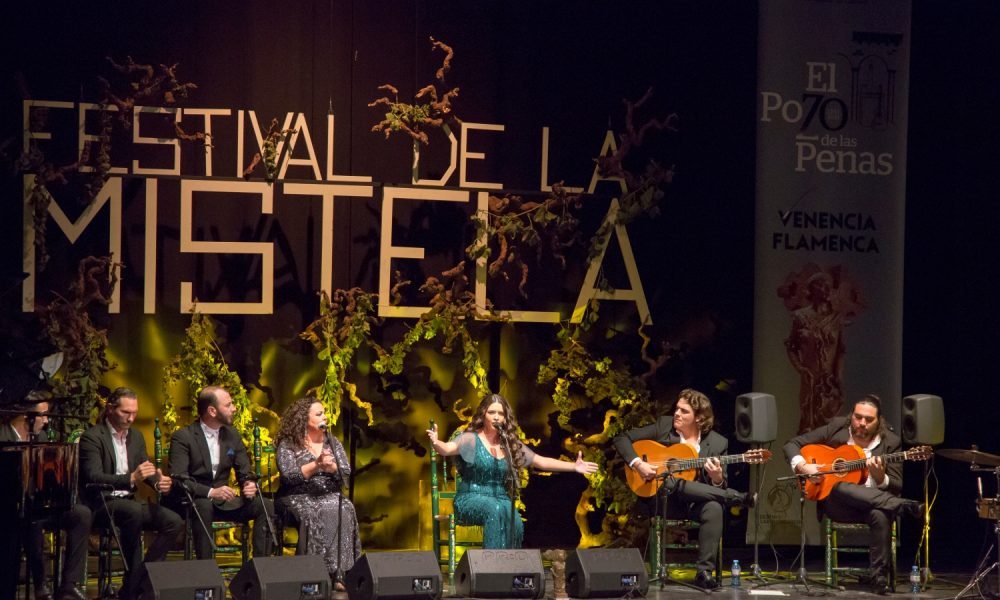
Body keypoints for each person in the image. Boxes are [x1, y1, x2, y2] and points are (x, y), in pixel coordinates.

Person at [613, 388, 756, 590]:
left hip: (695, 503)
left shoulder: (717, 443)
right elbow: (621, 438)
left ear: (699, 418)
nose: (677, 414)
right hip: (664, 501)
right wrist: (638, 464)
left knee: (714, 508)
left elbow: (719, 480)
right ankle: (734, 497)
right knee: (671, 481)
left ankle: (703, 572)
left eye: (684, 411)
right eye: (677, 409)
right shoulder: (664, 427)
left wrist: (716, 478)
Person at [783, 394, 924, 595]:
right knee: (840, 486)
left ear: (879, 421)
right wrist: (804, 467)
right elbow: (791, 444)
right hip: (837, 504)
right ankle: (903, 506)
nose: (862, 423)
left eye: (868, 419)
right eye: (858, 417)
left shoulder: (891, 442)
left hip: (871, 505)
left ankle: (879, 578)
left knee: (880, 514)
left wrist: (880, 477)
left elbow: (896, 484)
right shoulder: (837, 427)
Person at [426, 393, 598, 549]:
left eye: (500, 414)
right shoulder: (471, 439)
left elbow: (541, 461)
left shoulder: (509, 445)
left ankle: (508, 566)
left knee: (513, 517)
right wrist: (435, 442)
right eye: (491, 412)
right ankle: (491, 565)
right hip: (470, 498)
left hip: (500, 499)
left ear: (505, 418)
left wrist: (574, 467)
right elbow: (448, 449)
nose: (496, 417)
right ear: (483, 415)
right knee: (495, 509)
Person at [78, 387, 183, 600]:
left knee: (173, 521)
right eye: (126, 412)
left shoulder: (135, 436)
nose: (131, 418)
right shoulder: (92, 437)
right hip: (102, 502)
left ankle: (139, 580)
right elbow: (93, 476)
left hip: (128, 502)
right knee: (132, 511)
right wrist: (131, 479)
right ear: (110, 409)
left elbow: (144, 468)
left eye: (134, 412)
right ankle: (135, 586)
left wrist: (158, 482)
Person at [0, 392, 91, 600]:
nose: (48, 420)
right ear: (26, 416)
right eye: (43, 415)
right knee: (31, 521)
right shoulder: (2, 435)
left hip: (39, 504)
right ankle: (40, 584)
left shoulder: (40, 438)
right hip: (13, 508)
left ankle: (69, 583)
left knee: (81, 514)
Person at [166, 385, 274, 559]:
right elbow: (179, 479)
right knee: (204, 505)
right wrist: (211, 492)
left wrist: (249, 484)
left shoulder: (232, 435)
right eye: (228, 404)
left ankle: (260, 568)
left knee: (265, 505)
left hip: (224, 503)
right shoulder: (183, 437)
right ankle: (206, 573)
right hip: (194, 501)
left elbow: (245, 471)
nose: (234, 408)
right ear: (212, 410)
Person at [275, 397, 361, 585]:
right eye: (319, 413)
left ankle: (340, 573)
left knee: (344, 508)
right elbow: (289, 476)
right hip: (296, 495)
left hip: (328, 492)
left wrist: (333, 470)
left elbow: (345, 473)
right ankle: (311, 573)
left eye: (324, 412)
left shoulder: (332, 441)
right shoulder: (288, 444)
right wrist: (316, 465)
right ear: (304, 419)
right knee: (314, 511)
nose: (325, 417)